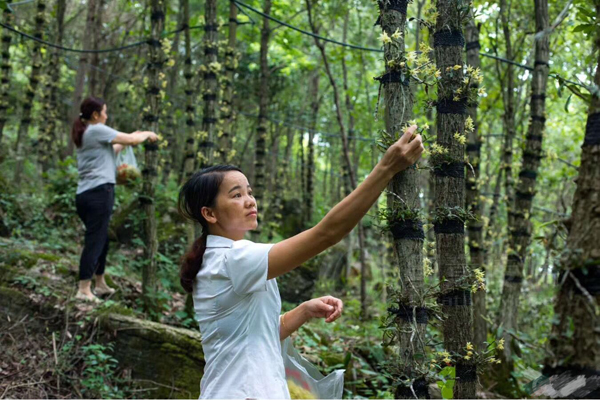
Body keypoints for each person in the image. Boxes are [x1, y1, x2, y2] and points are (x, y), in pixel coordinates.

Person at [177, 125, 424, 399]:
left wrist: (304, 311)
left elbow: (261, 334)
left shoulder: (223, 258)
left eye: (249, 192)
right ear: (209, 214)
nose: (249, 201)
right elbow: (326, 234)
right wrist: (386, 169)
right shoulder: (234, 258)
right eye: (236, 195)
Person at [71, 96, 158, 302]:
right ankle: (84, 288)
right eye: (104, 112)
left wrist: (133, 137)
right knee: (94, 240)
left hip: (85, 195)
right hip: (99, 194)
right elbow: (130, 140)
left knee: (101, 238)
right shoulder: (96, 129)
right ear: (95, 115)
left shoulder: (86, 133)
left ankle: (99, 282)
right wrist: (146, 134)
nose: (106, 116)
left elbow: (114, 148)